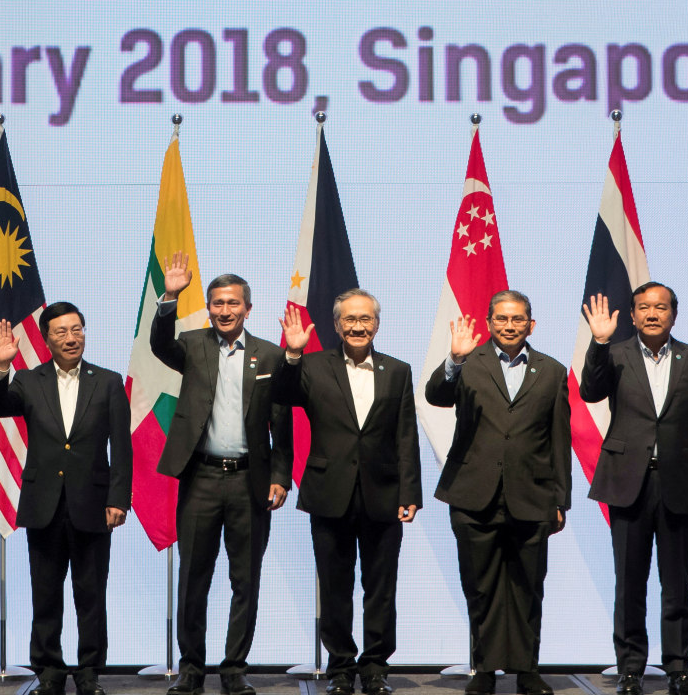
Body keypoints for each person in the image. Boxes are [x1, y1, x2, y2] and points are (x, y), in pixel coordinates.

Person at [150, 251, 293, 695]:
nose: (225, 311)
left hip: (251, 480)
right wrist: (169, 298)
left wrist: (281, 476)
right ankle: (192, 667)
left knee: (245, 578)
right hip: (202, 478)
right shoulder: (191, 345)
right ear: (209, 307)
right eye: (217, 304)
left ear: (248, 309)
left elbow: (283, 424)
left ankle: (234, 669)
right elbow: (159, 344)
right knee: (194, 575)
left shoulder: (271, 354)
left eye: (233, 304)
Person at [578, 285, 688, 695]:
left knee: (678, 583)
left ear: (674, 315)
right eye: (644, 307)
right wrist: (600, 341)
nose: (653, 313)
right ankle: (630, 668)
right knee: (629, 583)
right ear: (633, 314)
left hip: (681, 482)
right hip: (629, 482)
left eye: (661, 307)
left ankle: (679, 667)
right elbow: (590, 391)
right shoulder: (616, 354)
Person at [275, 289, 421, 695]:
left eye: (366, 319)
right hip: (328, 492)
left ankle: (375, 666)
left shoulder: (398, 370)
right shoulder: (312, 366)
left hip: (385, 494)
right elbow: (282, 396)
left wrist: (410, 492)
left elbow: (405, 436)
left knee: (381, 587)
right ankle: (340, 666)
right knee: (335, 586)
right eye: (350, 320)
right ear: (337, 325)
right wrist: (291, 355)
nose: (358, 326)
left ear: (377, 323)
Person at [425, 291, 570, 695]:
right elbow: (435, 396)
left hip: (533, 495)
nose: (509, 326)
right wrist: (454, 359)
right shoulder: (469, 362)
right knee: (481, 585)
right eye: (502, 319)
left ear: (531, 325)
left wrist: (561, 499)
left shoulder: (553, 371)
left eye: (518, 319)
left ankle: (527, 671)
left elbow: (559, 438)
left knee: (528, 586)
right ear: (489, 322)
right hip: (473, 495)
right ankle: (485, 670)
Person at [0, 304, 131, 695]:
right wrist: (1, 368)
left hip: (94, 505)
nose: (71, 338)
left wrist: (119, 498)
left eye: (77, 330)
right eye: (62, 332)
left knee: (91, 594)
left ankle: (88, 673)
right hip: (43, 503)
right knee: (45, 592)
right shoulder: (29, 381)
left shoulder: (109, 382)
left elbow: (122, 444)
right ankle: (49, 671)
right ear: (47, 339)